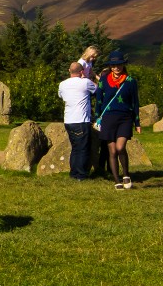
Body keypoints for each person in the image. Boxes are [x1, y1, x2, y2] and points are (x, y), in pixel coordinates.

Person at [91, 51, 140, 190]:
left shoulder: (130, 81)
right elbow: (99, 100)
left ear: (123, 65)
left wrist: (137, 123)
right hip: (108, 118)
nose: (116, 68)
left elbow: (135, 102)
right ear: (110, 66)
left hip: (125, 117)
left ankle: (126, 174)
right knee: (112, 151)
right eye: (113, 65)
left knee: (120, 147)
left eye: (119, 65)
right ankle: (116, 179)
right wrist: (97, 117)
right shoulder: (104, 80)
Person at [58, 60, 95, 179]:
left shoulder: (62, 84)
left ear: (69, 71)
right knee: (83, 148)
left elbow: (61, 96)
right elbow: (97, 90)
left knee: (75, 147)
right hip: (81, 120)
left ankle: (73, 173)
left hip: (68, 120)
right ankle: (81, 174)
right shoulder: (85, 83)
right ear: (82, 71)